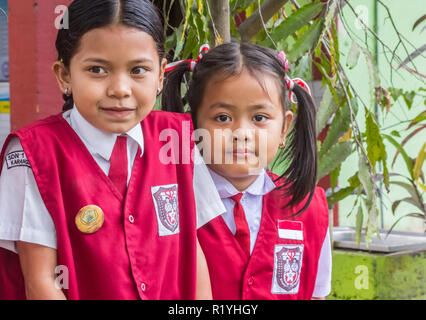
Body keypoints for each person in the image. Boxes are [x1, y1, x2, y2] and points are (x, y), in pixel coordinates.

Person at [0, 0, 225, 300]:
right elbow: (41, 281)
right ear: (64, 75)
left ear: (160, 75)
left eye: (138, 70)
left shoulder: (176, 139)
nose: (120, 89)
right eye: (97, 69)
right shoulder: (31, 154)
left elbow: (192, 253)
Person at [162, 42, 331, 300]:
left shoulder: (310, 209)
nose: (241, 134)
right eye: (222, 118)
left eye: (259, 118)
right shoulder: (169, 207)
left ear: (284, 127)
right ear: (194, 123)